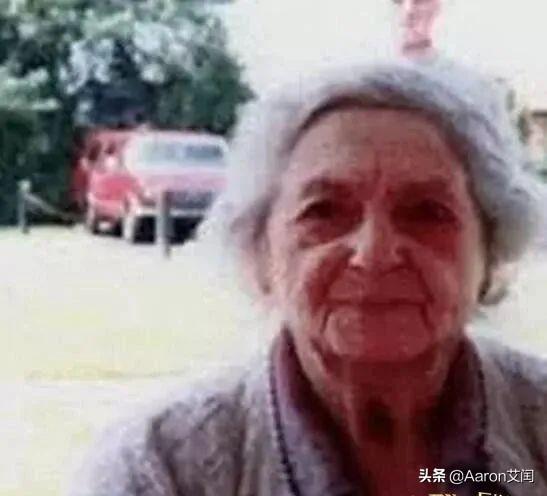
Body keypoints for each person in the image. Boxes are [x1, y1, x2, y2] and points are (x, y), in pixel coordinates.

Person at [70, 58, 547, 496]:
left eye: (426, 211)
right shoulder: (160, 470)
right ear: (259, 253)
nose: (374, 255)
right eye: (324, 211)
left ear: (492, 250)